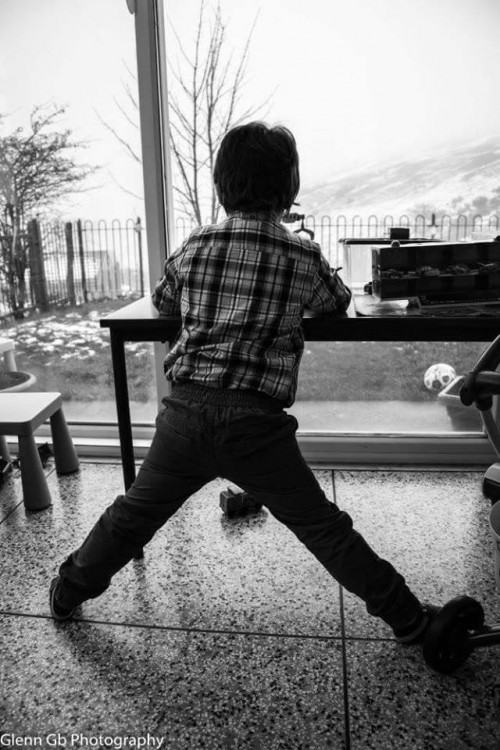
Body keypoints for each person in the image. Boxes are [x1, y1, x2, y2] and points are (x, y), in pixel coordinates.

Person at [50, 121, 437, 644]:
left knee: (135, 513)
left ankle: (70, 588)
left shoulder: (196, 243)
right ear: (289, 187)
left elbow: (166, 303)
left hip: (184, 416)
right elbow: (336, 303)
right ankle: (409, 618)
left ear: (221, 184)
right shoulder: (300, 253)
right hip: (256, 428)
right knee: (322, 527)